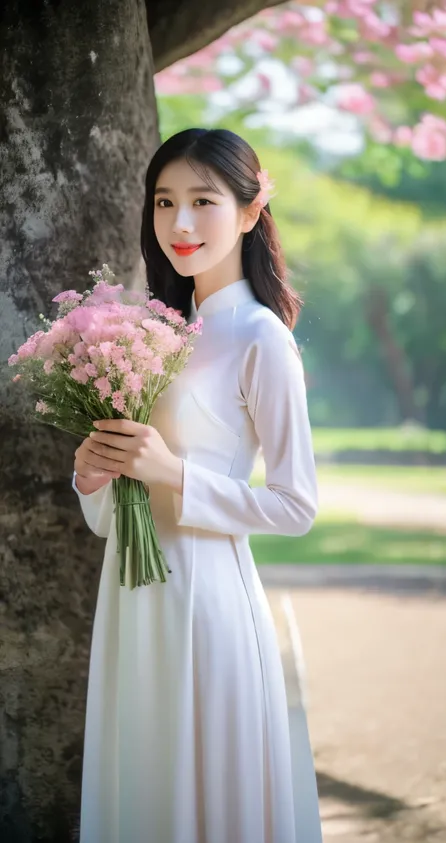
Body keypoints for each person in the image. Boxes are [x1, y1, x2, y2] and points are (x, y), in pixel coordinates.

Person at [72, 128, 322, 843]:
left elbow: (296, 505)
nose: (180, 224)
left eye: (203, 201)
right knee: (143, 785)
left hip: (205, 599)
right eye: (164, 201)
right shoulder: (153, 330)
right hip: (130, 598)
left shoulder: (259, 336)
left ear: (249, 210)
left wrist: (172, 473)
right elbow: (113, 509)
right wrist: (95, 475)